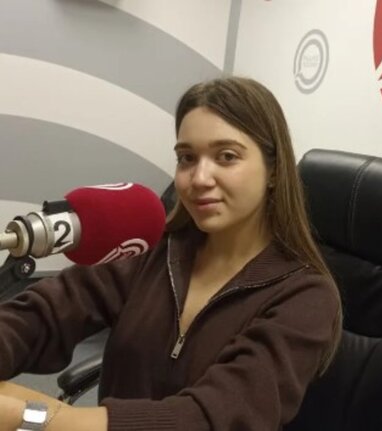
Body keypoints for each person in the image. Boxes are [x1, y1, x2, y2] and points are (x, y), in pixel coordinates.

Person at [0, 76, 342, 431]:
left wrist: (35, 420)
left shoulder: (307, 297)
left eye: (226, 156)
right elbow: (44, 314)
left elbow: (212, 419)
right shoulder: (152, 250)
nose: (199, 178)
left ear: (274, 170)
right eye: (187, 158)